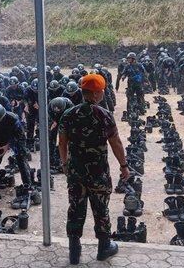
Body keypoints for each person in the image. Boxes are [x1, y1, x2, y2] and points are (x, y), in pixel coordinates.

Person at [58, 74, 131, 264]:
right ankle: (104, 247)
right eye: (102, 91)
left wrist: (65, 164)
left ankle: (74, 251)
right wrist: (124, 166)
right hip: (98, 173)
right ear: (97, 93)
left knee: (76, 208)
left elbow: (62, 142)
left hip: (75, 172)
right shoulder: (104, 115)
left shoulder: (68, 114)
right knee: (100, 209)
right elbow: (116, 143)